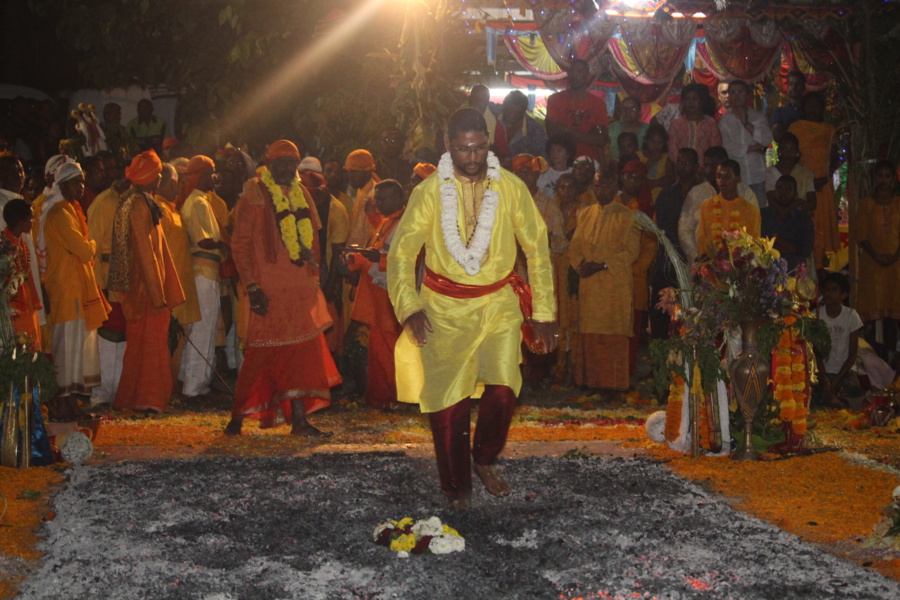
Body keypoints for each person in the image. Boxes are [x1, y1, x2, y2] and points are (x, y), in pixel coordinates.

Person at [387, 108, 558, 509]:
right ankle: (455, 486)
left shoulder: (512, 188)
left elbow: (537, 248)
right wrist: (409, 307)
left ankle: (483, 458)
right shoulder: (429, 192)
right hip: (443, 308)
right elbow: (401, 254)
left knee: (504, 389)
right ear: (449, 145)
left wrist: (545, 314)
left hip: (499, 304)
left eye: (480, 147)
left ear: (488, 142)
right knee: (448, 403)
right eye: (463, 149)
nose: (472, 158)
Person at [225, 140, 340, 437]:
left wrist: (313, 280)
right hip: (267, 290)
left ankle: (299, 421)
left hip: (299, 290)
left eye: (292, 162)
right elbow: (239, 245)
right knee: (260, 355)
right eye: (282, 162)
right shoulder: (254, 193)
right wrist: (251, 286)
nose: (287, 168)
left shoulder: (302, 193)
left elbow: (314, 238)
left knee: (301, 353)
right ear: (269, 163)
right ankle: (237, 418)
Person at [108, 150, 185, 412]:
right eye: (159, 174)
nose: (161, 178)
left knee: (144, 346)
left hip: (146, 290)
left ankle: (141, 399)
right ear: (151, 177)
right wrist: (157, 295)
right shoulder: (138, 204)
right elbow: (145, 254)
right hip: (145, 293)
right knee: (149, 346)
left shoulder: (140, 199)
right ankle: (148, 401)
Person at [40, 161, 111, 420]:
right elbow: (83, 249)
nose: (81, 187)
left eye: (82, 181)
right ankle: (63, 408)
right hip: (65, 291)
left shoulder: (69, 209)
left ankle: (71, 407)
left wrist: (87, 244)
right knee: (66, 352)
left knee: (75, 352)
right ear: (62, 185)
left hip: (76, 290)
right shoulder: (59, 213)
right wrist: (92, 243)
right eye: (76, 182)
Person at [568, 167, 640, 390]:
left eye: (605, 186)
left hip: (613, 285)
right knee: (589, 335)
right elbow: (575, 246)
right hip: (589, 285)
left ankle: (613, 386)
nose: (600, 191)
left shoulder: (628, 216)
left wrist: (602, 265)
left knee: (611, 337)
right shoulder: (585, 213)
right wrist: (580, 266)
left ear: (615, 187)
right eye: (597, 186)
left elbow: (631, 251)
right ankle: (589, 382)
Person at [344, 180, 406, 410]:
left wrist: (363, 262)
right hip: (377, 299)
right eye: (377, 199)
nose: (378, 204)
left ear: (398, 199)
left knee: (389, 353)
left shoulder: (403, 224)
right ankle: (382, 399)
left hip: (389, 299)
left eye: (383, 199)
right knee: (379, 353)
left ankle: (393, 399)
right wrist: (358, 259)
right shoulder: (388, 221)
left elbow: (398, 266)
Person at [177, 155, 226, 399]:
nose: (214, 177)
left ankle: (197, 383)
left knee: (204, 329)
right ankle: (193, 388)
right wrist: (227, 244)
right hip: (203, 271)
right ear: (201, 176)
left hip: (208, 272)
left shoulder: (201, 200)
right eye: (211, 172)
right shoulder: (196, 202)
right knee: (202, 330)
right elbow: (204, 240)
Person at [86, 162, 132, 407]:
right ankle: (101, 394)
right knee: (107, 338)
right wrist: (98, 285)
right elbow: (91, 247)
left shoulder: (133, 200)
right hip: (107, 280)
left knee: (123, 338)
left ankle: (118, 392)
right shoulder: (103, 203)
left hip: (128, 284)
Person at [155, 163, 201, 381]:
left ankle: (171, 386)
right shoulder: (158, 209)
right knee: (167, 340)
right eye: (175, 182)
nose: (178, 186)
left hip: (182, 285)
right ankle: (164, 388)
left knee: (178, 338)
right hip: (169, 288)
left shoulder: (171, 207)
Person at [678, 146, 759, 268]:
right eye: (706, 166)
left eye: (714, 165)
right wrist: (697, 256)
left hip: (738, 267)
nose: (709, 170)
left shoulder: (745, 193)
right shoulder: (696, 193)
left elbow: (754, 233)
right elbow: (685, 229)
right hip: (704, 266)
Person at [650, 148, 701, 339]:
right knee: (660, 313)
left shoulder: (704, 195)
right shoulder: (666, 195)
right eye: (679, 162)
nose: (683, 167)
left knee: (688, 317)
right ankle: (660, 363)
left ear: (697, 167)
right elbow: (660, 230)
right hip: (667, 263)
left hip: (692, 265)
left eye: (687, 163)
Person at [789, 92, 840, 269]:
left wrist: (825, 176)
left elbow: (836, 157)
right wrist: (807, 180)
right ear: (804, 108)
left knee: (821, 229)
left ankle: (818, 268)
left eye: (816, 106)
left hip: (823, 185)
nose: (813, 109)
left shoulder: (829, 129)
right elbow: (789, 156)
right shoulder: (796, 128)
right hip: (802, 183)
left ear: (822, 108)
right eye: (809, 105)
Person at [855, 160, 900, 354]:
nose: (883, 180)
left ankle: (891, 355)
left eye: (887, 176)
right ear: (875, 178)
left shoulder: (899, 203)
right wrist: (876, 257)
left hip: (896, 264)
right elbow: (861, 235)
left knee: (893, 313)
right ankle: (871, 357)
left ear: (893, 179)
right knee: (870, 315)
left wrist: (894, 257)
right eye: (880, 175)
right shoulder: (866, 203)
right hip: (871, 264)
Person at [717, 80, 772, 204]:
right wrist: (754, 148)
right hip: (736, 178)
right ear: (728, 96)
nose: (737, 96)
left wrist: (746, 123)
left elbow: (768, 139)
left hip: (758, 175)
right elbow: (727, 148)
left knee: (758, 213)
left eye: (740, 92)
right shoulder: (724, 122)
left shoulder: (758, 117)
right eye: (733, 92)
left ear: (748, 96)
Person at [815, 271, 864, 409]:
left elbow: (853, 352)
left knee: (852, 390)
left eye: (834, 290)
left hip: (844, 372)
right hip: (822, 371)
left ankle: (836, 402)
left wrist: (835, 381)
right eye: (826, 290)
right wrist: (825, 380)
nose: (828, 293)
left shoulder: (851, 316)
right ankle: (833, 401)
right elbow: (816, 352)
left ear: (844, 295)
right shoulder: (816, 315)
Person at [545, 59, 609, 162]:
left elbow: (600, 139)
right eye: (572, 71)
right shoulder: (555, 99)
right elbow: (552, 134)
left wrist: (565, 130)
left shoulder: (598, 104)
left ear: (587, 76)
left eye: (579, 72)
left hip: (589, 162)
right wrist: (588, 137)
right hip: (562, 163)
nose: (575, 75)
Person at [696, 159, 761, 258]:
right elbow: (701, 241)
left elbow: (754, 246)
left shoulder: (751, 210)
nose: (721, 181)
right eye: (719, 176)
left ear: (738, 179)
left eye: (727, 177)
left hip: (739, 268)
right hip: (711, 266)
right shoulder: (706, 206)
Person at [2, 200, 42, 349]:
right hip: (13, 310)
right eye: (31, 218)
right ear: (21, 221)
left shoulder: (20, 242)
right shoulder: (4, 245)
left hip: (26, 303)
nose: (33, 221)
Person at [760, 175, 814, 273]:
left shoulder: (803, 219)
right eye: (780, 188)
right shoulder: (762, 215)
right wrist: (791, 246)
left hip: (794, 272)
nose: (783, 192)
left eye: (788, 189)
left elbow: (805, 249)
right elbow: (759, 245)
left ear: (795, 194)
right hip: (766, 272)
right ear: (774, 192)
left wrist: (775, 238)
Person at [666, 83, 722, 167]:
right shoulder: (675, 124)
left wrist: (704, 168)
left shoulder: (710, 124)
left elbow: (715, 150)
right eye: (687, 99)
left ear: (701, 102)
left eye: (695, 99)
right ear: (683, 102)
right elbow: (672, 150)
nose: (690, 102)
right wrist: (684, 166)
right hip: (681, 172)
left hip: (704, 172)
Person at [764, 132, 816, 212]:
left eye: (792, 150)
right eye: (785, 149)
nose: (788, 153)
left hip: (800, 220)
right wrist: (796, 204)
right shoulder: (771, 173)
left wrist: (797, 209)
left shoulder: (805, 173)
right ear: (779, 151)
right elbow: (772, 202)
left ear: (797, 153)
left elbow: (812, 203)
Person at [492, 91, 548, 166]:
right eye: (508, 110)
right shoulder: (493, 114)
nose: (511, 116)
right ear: (503, 105)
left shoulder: (535, 131)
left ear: (524, 111)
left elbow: (542, 160)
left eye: (517, 113)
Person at [344, 149, 382, 247]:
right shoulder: (361, 190)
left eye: (354, 172)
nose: (350, 176)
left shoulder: (375, 194)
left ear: (367, 172)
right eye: (349, 172)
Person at [770, 70, 806, 144]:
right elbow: (777, 135)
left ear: (804, 87)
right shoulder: (779, 112)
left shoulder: (809, 110)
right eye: (790, 84)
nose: (794, 87)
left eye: (797, 84)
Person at [537, 133, 576, 199]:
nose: (554, 153)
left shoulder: (574, 173)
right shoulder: (543, 172)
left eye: (559, 150)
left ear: (568, 153)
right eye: (552, 150)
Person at [608, 96, 648, 161]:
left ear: (639, 112)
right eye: (625, 109)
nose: (628, 112)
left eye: (633, 109)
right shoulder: (612, 128)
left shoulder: (647, 130)